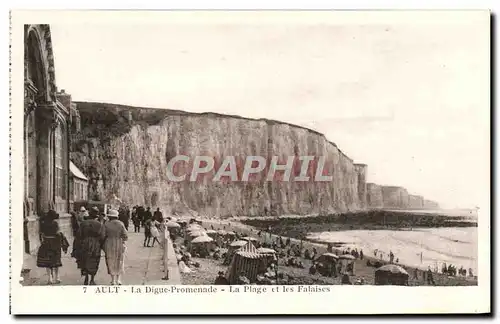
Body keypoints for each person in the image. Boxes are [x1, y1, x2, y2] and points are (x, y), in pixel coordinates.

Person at [36, 210, 69, 285]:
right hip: (55, 243)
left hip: (46, 243)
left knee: (47, 262)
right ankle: (57, 278)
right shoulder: (55, 223)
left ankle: (49, 278)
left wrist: (42, 241)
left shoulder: (43, 224)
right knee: (56, 261)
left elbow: (41, 234)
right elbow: (57, 233)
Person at [76, 210, 103, 285]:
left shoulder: (83, 223)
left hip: (85, 243)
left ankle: (86, 277)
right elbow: (102, 235)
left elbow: (79, 234)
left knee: (85, 259)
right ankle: (92, 279)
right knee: (94, 260)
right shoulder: (99, 224)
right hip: (95, 244)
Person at [102, 209, 128, 285]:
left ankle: (113, 280)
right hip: (119, 242)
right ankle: (118, 279)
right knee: (119, 260)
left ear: (109, 216)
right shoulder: (121, 224)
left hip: (109, 243)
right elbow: (125, 236)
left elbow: (103, 235)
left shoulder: (106, 224)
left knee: (110, 260)